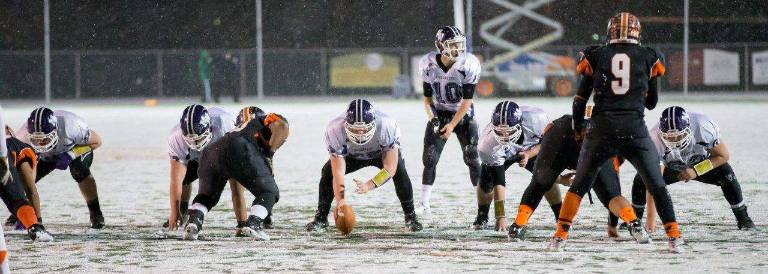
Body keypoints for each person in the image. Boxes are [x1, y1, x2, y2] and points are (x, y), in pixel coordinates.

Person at [548, 12, 684, 253]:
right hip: (634, 129)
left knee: (579, 185)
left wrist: (579, 128)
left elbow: (579, 100)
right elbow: (652, 103)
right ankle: (674, 237)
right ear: (637, 33)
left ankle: (559, 237)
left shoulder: (596, 54)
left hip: (602, 129)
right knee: (656, 184)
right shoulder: (649, 56)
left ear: (610, 32)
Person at [508, 112, 646, 242]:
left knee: (540, 183)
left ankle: (517, 226)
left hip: (561, 135)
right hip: (576, 139)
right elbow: (613, 192)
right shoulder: (615, 138)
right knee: (611, 195)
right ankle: (634, 223)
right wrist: (612, 226)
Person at [305, 99, 422, 232]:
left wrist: (369, 185)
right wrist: (340, 201)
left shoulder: (386, 125)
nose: (360, 134)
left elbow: (390, 168)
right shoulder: (335, 129)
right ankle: (321, 218)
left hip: (379, 154)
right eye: (355, 129)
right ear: (346, 124)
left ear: (373, 124)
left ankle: (411, 217)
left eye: (364, 129)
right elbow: (338, 172)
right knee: (328, 172)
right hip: (351, 155)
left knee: (400, 171)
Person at [631, 106, 755, 231]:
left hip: (700, 162)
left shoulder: (702, 126)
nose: (674, 141)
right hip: (672, 166)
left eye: (678, 136)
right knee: (642, 179)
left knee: (726, 174)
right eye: (670, 137)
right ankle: (634, 220)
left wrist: (696, 170)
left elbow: (723, 155)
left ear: (689, 129)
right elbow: (654, 181)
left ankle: (743, 218)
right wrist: (651, 220)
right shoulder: (654, 138)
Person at [183, 107, 289, 241]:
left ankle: (194, 221)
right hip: (240, 147)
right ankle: (254, 224)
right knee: (270, 192)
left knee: (206, 197)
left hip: (211, 151)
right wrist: (270, 153)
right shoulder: (261, 120)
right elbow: (282, 125)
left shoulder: (237, 129)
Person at [418, 26, 482, 214]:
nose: (458, 49)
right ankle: (424, 203)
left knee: (471, 157)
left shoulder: (468, 63)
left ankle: (482, 204)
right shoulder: (428, 64)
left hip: (463, 115)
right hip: (441, 112)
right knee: (429, 159)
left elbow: (468, 101)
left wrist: (452, 125)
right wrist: (434, 119)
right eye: (453, 45)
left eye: (460, 45)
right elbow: (427, 100)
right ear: (440, 45)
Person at [473, 101, 562, 231]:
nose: (504, 136)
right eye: (500, 132)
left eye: (509, 131)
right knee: (487, 181)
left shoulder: (536, 119)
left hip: (530, 146)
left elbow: (548, 142)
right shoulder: (486, 145)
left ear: (520, 125)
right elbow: (499, 182)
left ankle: (559, 215)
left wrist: (528, 154)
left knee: (546, 177)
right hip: (502, 153)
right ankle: (482, 216)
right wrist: (500, 216)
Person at [166, 104, 250, 235]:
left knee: (236, 183)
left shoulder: (225, 124)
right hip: (197, 157)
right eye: (190, 140)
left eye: (198, 139)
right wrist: (175, 211)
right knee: (184, 179)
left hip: (223, 150)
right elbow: (176, 179)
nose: (195, 144)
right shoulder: (176, 138)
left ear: (209, 128)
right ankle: (183, 211)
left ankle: (244, 223)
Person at [16, 107, 106, 229]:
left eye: (45, 139)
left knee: (79, 169)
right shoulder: (22, 137)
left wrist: (71, 154)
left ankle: (96, 213)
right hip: (45, 156)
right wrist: (33, 219)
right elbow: (29, 182)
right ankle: (20, 211)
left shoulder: (71, 126)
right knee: (23, 180)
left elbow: (97, 141)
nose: (41, 144)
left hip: (73, 148)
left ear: (56, 130)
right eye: (36, 140)